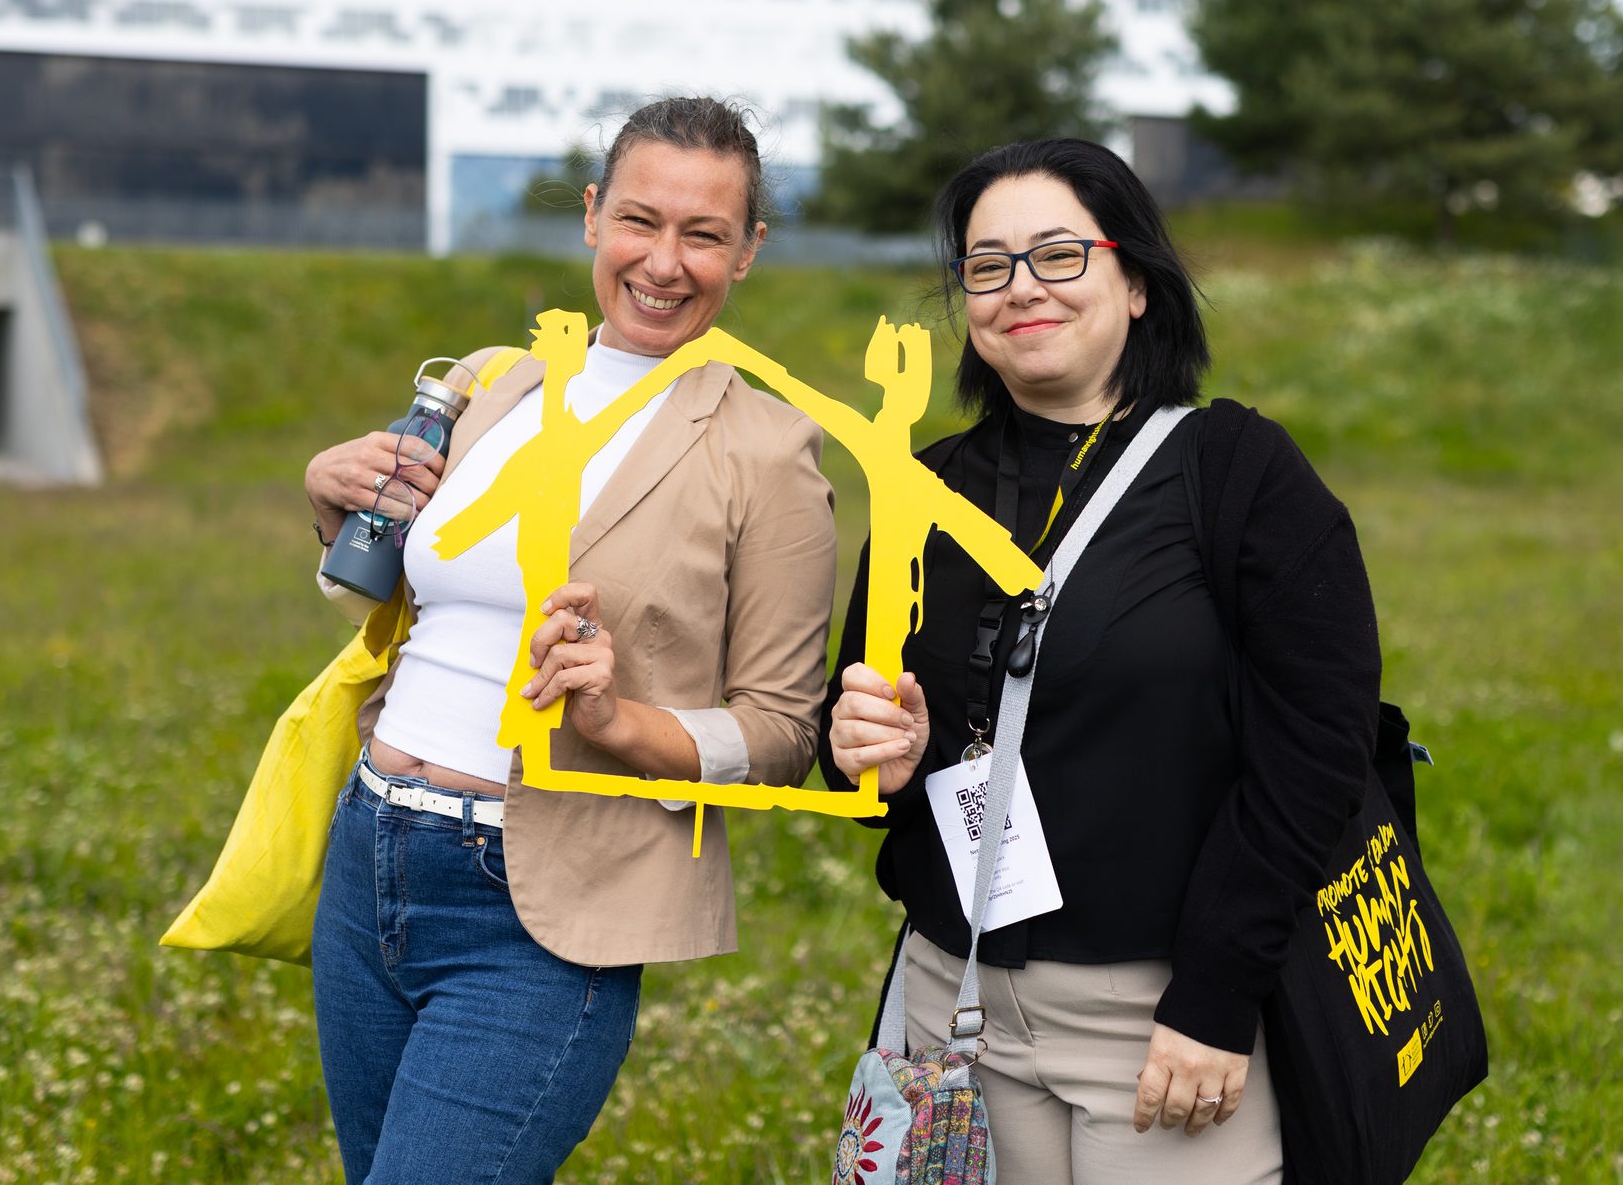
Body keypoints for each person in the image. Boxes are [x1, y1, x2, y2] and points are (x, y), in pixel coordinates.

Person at [820, 137, 1381, 1184]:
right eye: (987, 265)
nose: (1019, 287)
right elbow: (859, 735)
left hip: (1160, 1021)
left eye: (1058, 254)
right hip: (956, 1002)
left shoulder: (1239, 473)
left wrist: (1215, 997)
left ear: (1135, 283)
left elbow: (1316, 756)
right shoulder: (924, 488)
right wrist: (865, 752)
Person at [300, 97, 837, 1182]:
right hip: (370, 857)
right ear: (593, 216)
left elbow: (782, 731)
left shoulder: (771, 451)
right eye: (641, 219)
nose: (665, 261)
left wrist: (619, 718)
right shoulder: (495, 382)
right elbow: (420, 600)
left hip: (543, 904)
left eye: (705, 234)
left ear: (750, 250)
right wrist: (329, 500)